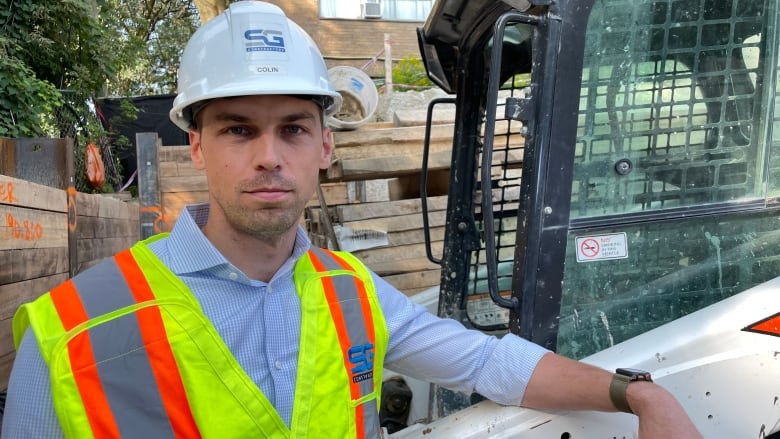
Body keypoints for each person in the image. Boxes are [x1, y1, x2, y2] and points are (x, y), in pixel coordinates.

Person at [1, 2, 702, 438]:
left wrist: (638, 395)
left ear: (326, 146)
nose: (269, 157)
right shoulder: (71, 333)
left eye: (294, 130)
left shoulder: (351, 293)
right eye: (240, 130)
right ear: (197, 145)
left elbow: (490, 361)